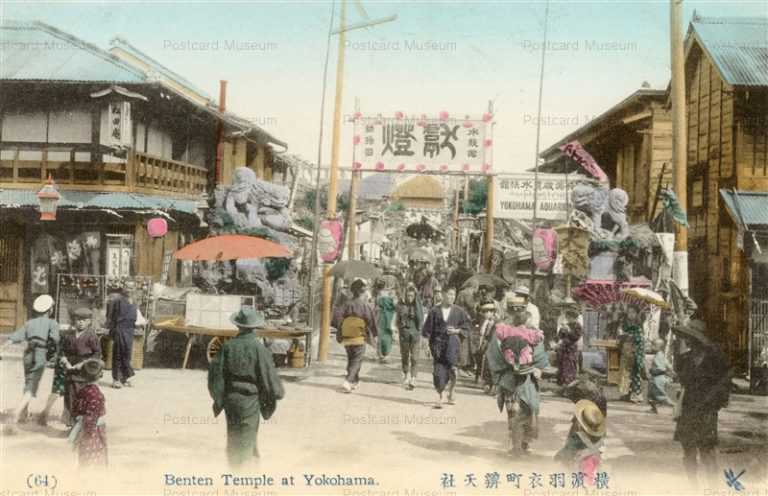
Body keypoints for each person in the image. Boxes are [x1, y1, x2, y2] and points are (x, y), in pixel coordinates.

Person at [208, 308, 285, 467]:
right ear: (254, 327)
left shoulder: (228, 347)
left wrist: (219, 397)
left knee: (234, 436)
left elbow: (215, 376)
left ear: (238, 326)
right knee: (247, 438)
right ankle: (243, 478)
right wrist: (277, 393)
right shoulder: (260, 349)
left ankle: (236, 470)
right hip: (250, 400)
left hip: (230, 399)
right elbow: (268, 377)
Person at [672, 320, 731, 487]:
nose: (687, 340)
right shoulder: (685, 358)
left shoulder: (715, 358)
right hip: (688, 409)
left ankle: (713, 488)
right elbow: (683, 381)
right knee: (688, 450)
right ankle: (693, 487)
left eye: (690, 337)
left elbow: (725, 381)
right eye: (686, 337)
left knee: (707, 451)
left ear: (698, 338)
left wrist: (717, 403)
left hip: (706, 410)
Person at [485, 306, 548, 455]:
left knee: (514, 412)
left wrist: (503, 369)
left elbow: (492, 355)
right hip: (526, 377)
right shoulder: (532, 334)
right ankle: (523, 443)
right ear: (526, 320)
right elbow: (540, 356)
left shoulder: (503, 331)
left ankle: (517, 445)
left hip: (509, 376)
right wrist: (535, 366)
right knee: (527, 410)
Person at [39, 307, 101, 426]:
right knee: (69, 396)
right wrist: (65, 361)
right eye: (78, 320)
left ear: (89, 322)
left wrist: (83, 363)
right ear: (74, 321)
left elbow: (97, 354)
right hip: (70, 371)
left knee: (82, 396)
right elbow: (62, 351)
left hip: (84, 372)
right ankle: (71, 423)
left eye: (84, 320)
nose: (80, 322)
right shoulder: (69, 336)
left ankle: (81, 424)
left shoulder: (91, 336)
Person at [3, 294, 60, 424]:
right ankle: (16, 414)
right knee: (32, 385)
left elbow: (14, 337)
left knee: (28, 381)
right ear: (50, 309)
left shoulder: (29, 323)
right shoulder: (52, 323)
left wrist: (2, 348)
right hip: (40, 354)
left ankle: (23, 414)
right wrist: (53, 355)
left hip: (28, 354)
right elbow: (55, 340)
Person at [421, 287, 471, 408]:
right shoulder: (434, 311)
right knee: (438, 373)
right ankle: (440, 396)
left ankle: (452, 391)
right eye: (449, 294)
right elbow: (427, 330)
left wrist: (456, 330)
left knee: (453, 371)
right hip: (437, 346)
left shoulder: (459, 311)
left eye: (454, 295)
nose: (452, 297)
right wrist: (426, 346)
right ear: (443, 295)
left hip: (453, 346)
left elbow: (467, 327)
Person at [332, 278, 378, 393]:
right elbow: (371, 320)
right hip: (359, 335)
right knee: (357, 359)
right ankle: (348, 381)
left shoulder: (347, 303)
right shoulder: (364, 305)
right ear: (362, 292)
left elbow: (337, 316)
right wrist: (374, 333)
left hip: (347, 335)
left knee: (351, 358)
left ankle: (355, 381)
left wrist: (341, 327)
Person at [554, 400, 606, 486]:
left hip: (579, 469)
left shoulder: (576, 438)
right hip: (593, 469)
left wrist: (558, 457)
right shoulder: (600, 440)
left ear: (580, 423)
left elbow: (566, 453)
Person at [69, 359, 108, 467]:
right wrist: (88, 432)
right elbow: (91, 416)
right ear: (100, 375)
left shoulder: (82, 391)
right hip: (93, 430)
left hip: (82, 426)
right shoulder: (97, 395)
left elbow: (74, 410)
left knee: (83, 456)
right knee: (95, 457)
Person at [106, 288, 137, 389]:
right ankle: (116, 379)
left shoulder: (134, 301)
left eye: (131, 287)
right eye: (127, 287)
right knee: (118, 353)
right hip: (119, 328)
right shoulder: (117, 301)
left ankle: (125, 377)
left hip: (129, 330)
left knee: (127, 353)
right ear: (123, 288)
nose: (129, 290)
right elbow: (110, 316)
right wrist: (112, 329)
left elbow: (136, 316)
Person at [396, 285, 423, 390]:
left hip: (415, 334)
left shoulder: (418, 306)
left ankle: (413, 378)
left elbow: (421, 319)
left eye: (412, 296)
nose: (410, 298)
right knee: (405, 356)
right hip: (404, 334)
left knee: (415, 358)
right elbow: (397, 318)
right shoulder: (401, 305)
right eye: (408, 296)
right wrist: (399, 328)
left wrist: (417, 303)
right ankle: (406, 374)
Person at [619, 306, 645, 403]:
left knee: (635, 374)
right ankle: (627, 393)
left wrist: (629, 336)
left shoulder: (638, 325)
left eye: (633, 312)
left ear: (637, 314)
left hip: (636, 351)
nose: (630, 314)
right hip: (628, 351)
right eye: (629, 312)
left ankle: (637, 395)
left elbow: (639, 338)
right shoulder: (626, 324)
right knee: (627, 373)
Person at [474, 300, 497, 393]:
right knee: (482, 362)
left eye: (489, 311)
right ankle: (484, 380)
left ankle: (490, 383)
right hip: (484, 343)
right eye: (485, 312)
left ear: (492, 312)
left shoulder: (495, 322)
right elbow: (481, 332)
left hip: (491, 344)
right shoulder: (485, 321)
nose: (486, 314)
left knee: (489, 364)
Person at [647, 338, 675, 414]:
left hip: (658, 378)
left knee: (660, 395)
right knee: (651, 395)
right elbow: (668, 364)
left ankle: (674, 406)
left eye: (653, 345)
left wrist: (652, 370)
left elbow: (660, 368)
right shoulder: (661, 354)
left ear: (659, 347)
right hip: (656, 378)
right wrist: (672, 371)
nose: (651, 347)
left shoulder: (659, 356)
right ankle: (653, 409)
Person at [556, 310, 583, 386]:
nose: (568, 319)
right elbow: (560, 336)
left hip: (571, 349)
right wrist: (562, 329)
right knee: (563, 365)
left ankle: (570, 382)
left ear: (574, 318)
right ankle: (563, 382)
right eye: (567, 317)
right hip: (564, 348)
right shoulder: (567, 324)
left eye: (569, 317)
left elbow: (576, 337)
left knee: (570, 365)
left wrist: (569, 331)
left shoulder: (578, 326)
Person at [374, 279, 397, 363]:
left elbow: (376, 306)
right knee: (387, 335)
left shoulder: (379, 294)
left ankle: (381, 355)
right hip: (388, 316)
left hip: (381, 316)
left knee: (381, 335)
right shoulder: (392, 294)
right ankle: (385, 355)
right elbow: (395, 306)